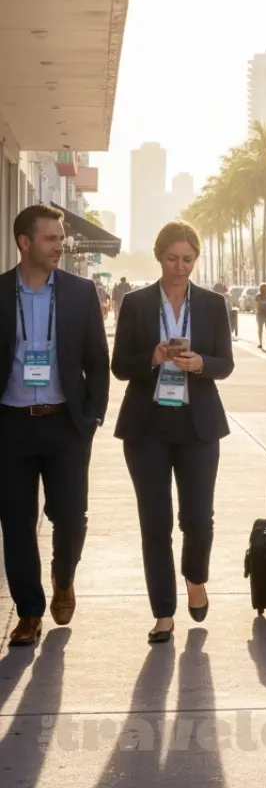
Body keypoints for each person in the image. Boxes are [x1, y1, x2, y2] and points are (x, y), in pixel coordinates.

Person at [111, 221, 234, 644]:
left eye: (187, 260)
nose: (179, 268)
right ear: (158, 256)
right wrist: (153, 355)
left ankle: (195, 578)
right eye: (171, 259)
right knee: (155, 522)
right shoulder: (137, 303)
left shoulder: (214, 304)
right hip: (147, 427)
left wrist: (200, 364)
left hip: (198, 424)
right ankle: (163, 612)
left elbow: (226, 363)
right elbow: (119, 366)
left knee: (198, 520)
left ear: (195, 260)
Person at [0, 204, 109, 647]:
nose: (60, 245)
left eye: (62, 238)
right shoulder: (2, 292)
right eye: (51, 239)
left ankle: (63, 578)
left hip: (66, 425)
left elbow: (97, 362)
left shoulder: (80, 292)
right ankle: (29, 612)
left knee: (70, 517)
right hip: (10, 425)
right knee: (16, 522)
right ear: (25, 243)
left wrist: (93, 416)